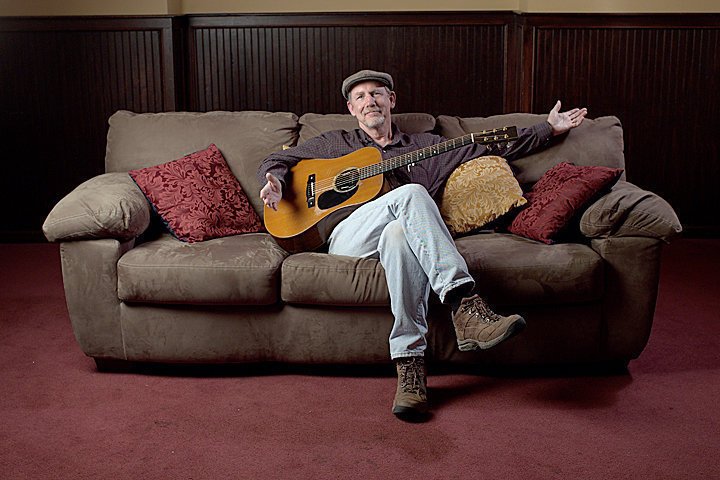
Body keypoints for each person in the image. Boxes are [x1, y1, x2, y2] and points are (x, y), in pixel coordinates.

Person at [258, 69, 587, 421]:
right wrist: (275, 182)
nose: (370, 101)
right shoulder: (335, 142)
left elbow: (491, 145)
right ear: (351, 108)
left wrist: (547, 128)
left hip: (397, 237)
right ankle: (464, 304)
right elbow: (275, 161)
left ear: (391, 100)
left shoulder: (427, 147)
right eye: (360, 97)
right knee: (412, 193)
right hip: (347, 236)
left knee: (400, 235)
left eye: (377, 93)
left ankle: (409, 366)